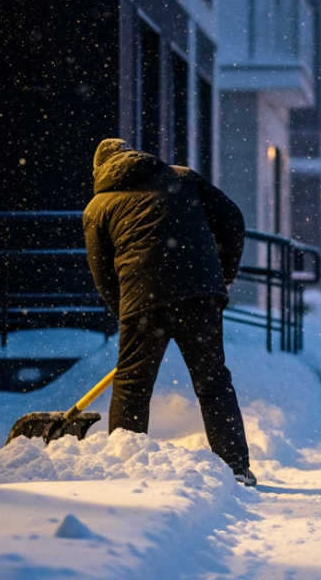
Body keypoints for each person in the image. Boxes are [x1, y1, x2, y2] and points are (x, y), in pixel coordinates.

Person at [83, 138, 256, 486]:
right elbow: (233, 220)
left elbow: (102, 275)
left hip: (142, 300)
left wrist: (127, 312)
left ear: (99, 170)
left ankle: (124, 472)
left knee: (132, 385)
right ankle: (236, 468)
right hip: (199, 296)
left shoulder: (97, 207)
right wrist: (222, 275)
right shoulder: (183, 177)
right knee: (213, 383)